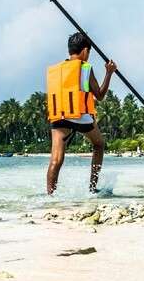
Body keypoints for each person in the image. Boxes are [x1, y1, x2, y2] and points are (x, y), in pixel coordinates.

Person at [46, 32, 118, 194]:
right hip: (81, 116)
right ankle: (92, 188)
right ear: (85, 51)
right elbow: (99, 95)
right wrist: (109, 72)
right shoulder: (85, 67)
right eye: (89, 53)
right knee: (98, 144)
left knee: (56, 159)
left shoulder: (56, 70)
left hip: (60, 117)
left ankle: (50, 196)